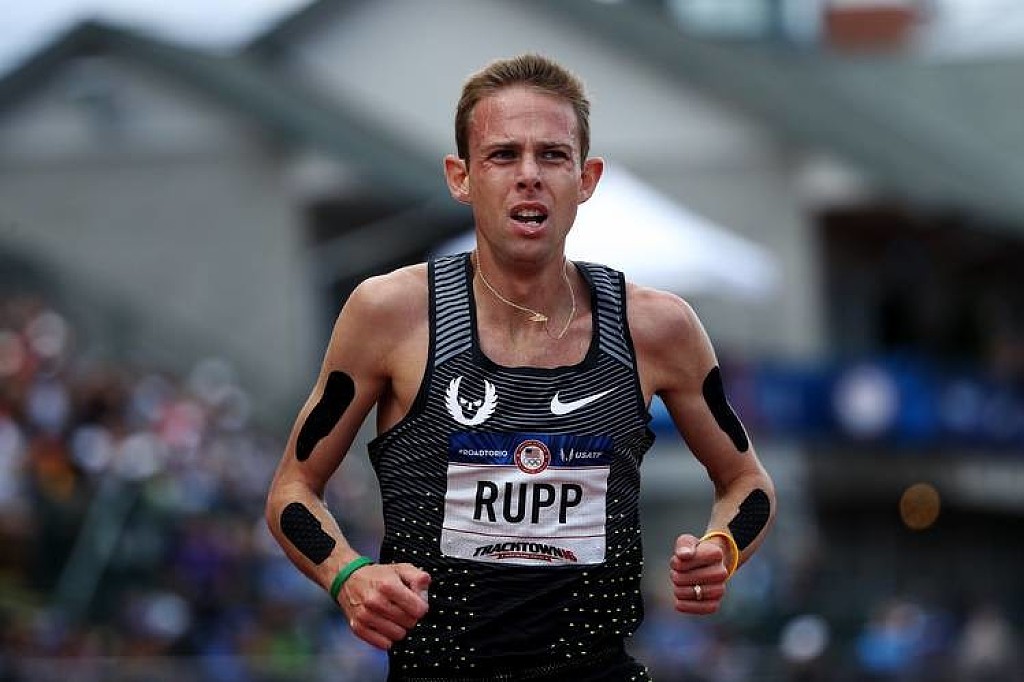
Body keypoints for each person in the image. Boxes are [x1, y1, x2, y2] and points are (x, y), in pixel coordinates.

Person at [265, 53, 775, 681]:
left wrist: (721, 548)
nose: (529, 176)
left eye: (552, 156)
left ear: (586, 178)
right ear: (460, 177)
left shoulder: (655, 327)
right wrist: (348, 574)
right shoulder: (390, 314)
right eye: (503, 155)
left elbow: (747, 483)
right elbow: (292, 489)